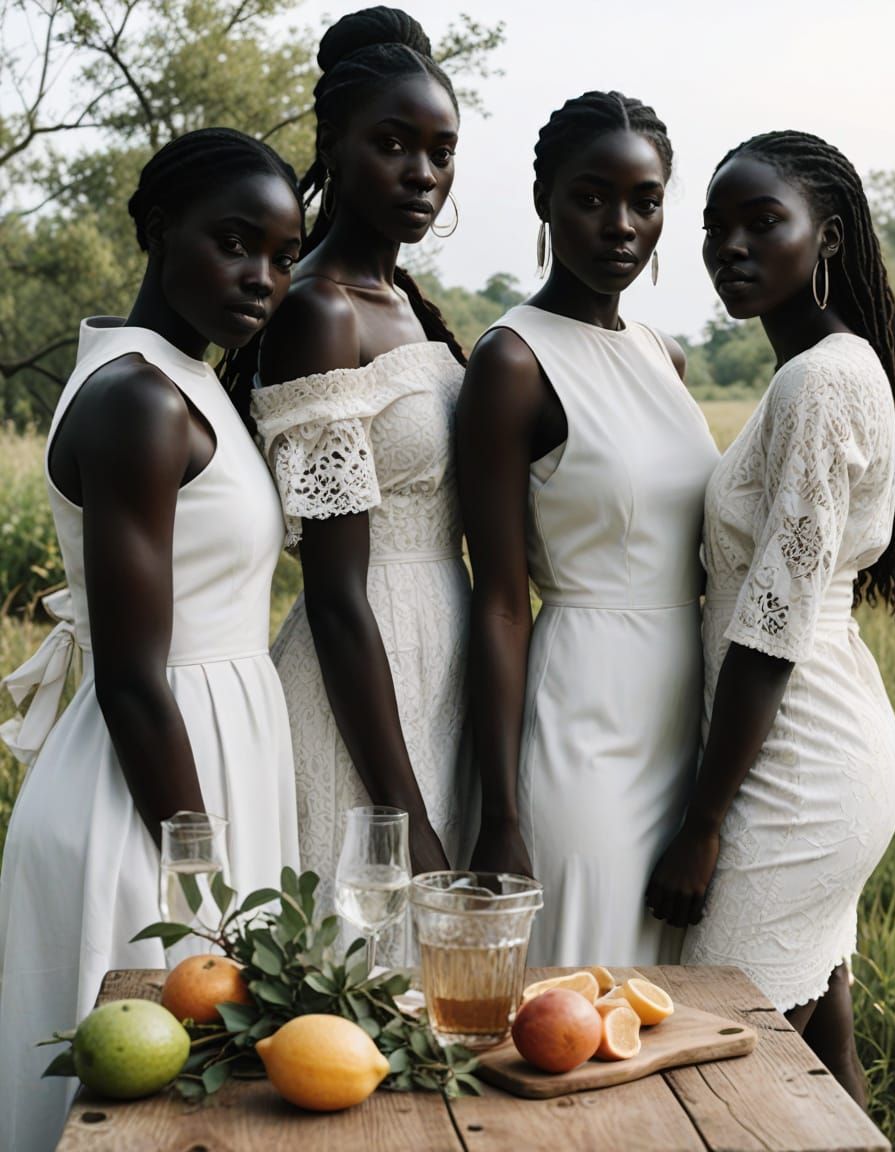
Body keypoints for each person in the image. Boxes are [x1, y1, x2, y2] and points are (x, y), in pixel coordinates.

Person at [0, 127, 303, 1151]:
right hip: (152, 795)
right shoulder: (138, 397)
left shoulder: (186, 375)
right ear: (155, 228)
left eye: (282, 252)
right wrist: (205, 888)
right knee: (134, 1112)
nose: (261, 276)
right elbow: (134, 678)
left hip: (208, 758)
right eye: (233, 243)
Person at [647, 130, 895, 1106]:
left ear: (824, 236)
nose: (729, 248)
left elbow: (771, 622)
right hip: (806, 746)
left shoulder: (820, 379)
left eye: (761, 223)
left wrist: (701, 827)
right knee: (823, 1062)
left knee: (726, 1063)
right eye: (714, 229)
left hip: (794, 770)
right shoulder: (818, 369)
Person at [456, 92, 719, 968]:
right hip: (584, 716)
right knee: (578, 982)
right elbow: (497, 601)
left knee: (671, 998)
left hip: (685, 711)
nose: (620, 225)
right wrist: (501, 817)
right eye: (591, 196)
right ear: (544, 199)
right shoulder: (512, 361)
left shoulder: (662, 354)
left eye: (645, 201)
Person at [244, 7, 475, 943]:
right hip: (362, 689)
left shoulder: (411, 308)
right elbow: (334, 595)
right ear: (332, 145)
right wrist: (403, 816)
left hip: (441, 664)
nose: (422, 172)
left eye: (440, 149)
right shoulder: (319, 313)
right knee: (362, 976)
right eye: (392, 144)